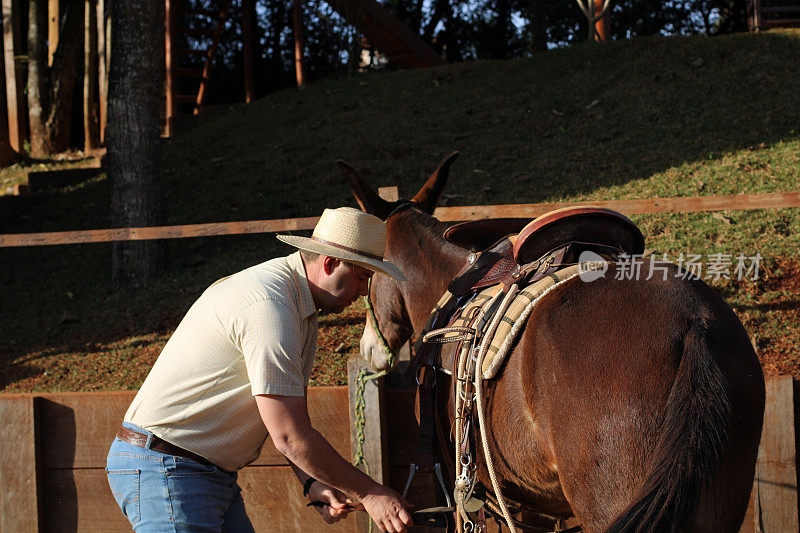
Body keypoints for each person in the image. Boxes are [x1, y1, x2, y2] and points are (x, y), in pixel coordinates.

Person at [106, 207, 414, 532]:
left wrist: (312, 481)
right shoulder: (270, 307)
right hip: (169, 469)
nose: (364, 291)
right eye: (362, 277)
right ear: (329, 264)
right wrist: (370, 493)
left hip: (194, 472)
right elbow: (289, 435)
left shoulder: (296, 306)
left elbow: (285, 419)